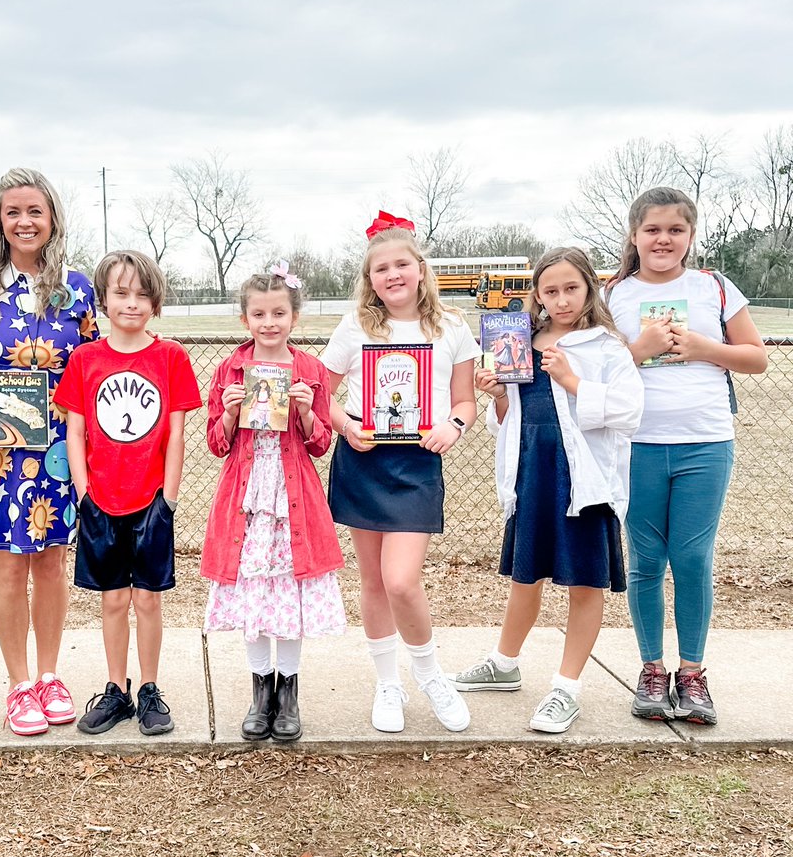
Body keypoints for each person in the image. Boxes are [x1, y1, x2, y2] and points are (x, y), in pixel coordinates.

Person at [451, 248, 644, 732]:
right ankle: (504, 663)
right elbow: (509, 424)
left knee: (584, 582)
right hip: (532, 473)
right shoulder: (519, 342)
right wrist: (497, 394)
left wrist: (572, 379)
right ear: (535, 293)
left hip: (583, 481)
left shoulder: (606, 347)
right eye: (550, 291)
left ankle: (566, 688)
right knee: (525, 575)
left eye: (571, 289)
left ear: (589, 290)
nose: (560, 300)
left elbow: (628, 413)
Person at [0, 168, 99, 736]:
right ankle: (18, 683)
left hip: (56, 443)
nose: (24, 221)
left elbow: (96, 363)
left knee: (52, 562)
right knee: (8, 567)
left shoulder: (77, 286)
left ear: (52, 217)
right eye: (13, 212)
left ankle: (51, 674)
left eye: (35, 211)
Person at [605, 187, 768, 725]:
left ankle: (692, 673)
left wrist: (704, 348)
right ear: (635, 235)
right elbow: (598, 370)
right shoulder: (613, 296)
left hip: (705, 443)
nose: (663, 239)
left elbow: (756, 359)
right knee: (647, 561)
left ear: (690, 237)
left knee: (693, 560)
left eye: (675, 230)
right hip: (638, 445)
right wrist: (639, 349)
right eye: (652, 229)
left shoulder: (716, 288)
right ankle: (652, 670)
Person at [321, 216, 477, 734]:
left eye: (401, 264)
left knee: (402, 581)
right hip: (363, 461)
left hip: (416, 464)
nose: (392, 274)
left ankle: (432, 677)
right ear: (370, 279)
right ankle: (388, 684)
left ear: (420, 269)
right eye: (380, 268)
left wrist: (453, 426)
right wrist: (345, 425)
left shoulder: (452, 326)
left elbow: (464, 401)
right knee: (372, 581)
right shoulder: (355, 328)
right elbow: (320, 395)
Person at [53, 250, 202, 735]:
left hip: (151, 499)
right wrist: (82, 493)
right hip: (101, 499)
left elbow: (176, 433)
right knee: (113, 600)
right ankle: (116, 689)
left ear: (155, 302)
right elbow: (75, 432)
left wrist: (170, 498)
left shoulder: (170, 356)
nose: (131, 303)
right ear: (103, 300)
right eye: (120, 293)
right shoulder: (85, 358)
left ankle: (149, 689)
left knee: (148, 601)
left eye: (142, 294)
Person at [202, 260, 347, 742]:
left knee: (288, 593)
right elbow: (217, 445)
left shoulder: (308, 368)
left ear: (294, 317)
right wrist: (228, 413)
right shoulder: (230, 368)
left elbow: (321, 443)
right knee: (254, 592)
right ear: (245, 319)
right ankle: (260, 691)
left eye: (279, 313)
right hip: (246, 494)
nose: (269, 323)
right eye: (259, 314)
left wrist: (306, 411)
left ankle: (288, 692)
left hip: (293, 496)